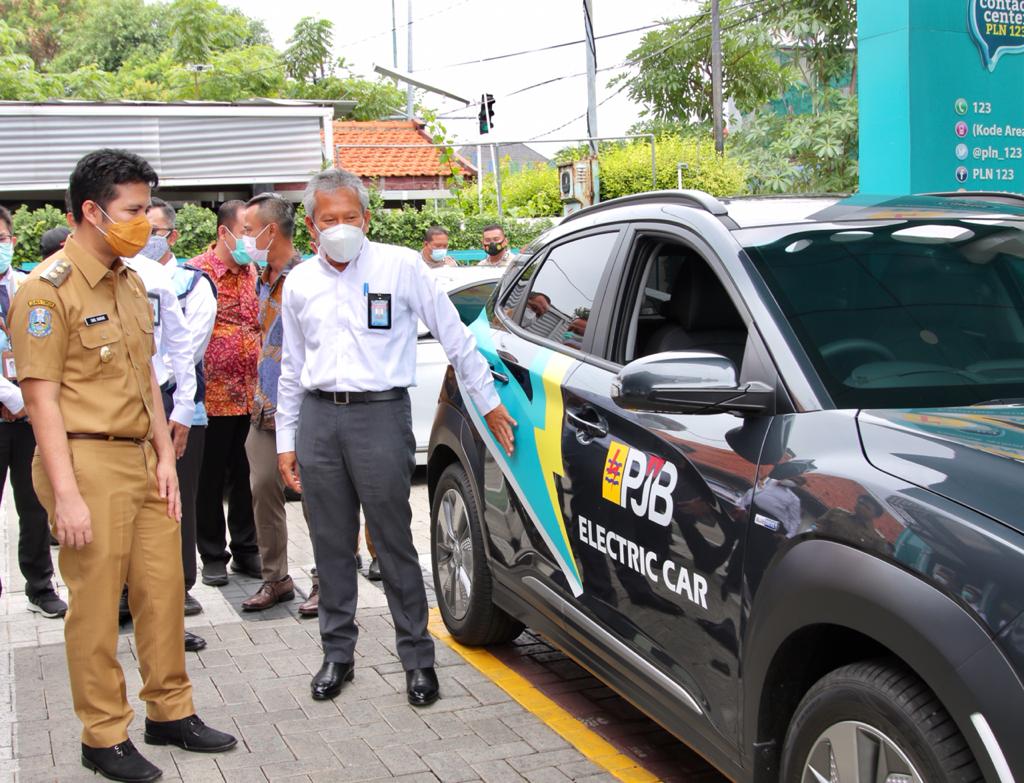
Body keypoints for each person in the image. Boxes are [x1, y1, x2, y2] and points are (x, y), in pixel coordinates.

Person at [9, 148, 236, 783]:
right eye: (133, 211)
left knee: (164, 594)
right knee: (97, 604)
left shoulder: (132, 281)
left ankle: (170, 712)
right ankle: (103, 735)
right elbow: (41, 402)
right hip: (84, 461)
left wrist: (165, 457)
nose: (145, 224)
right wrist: (67, 494)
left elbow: (146, 380)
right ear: (91, 211)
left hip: (143, 458)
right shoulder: (44, 291)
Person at [276, 168, 517, 706]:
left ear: (366, 218)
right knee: (330, 544)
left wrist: (490, 404)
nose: (341, 227)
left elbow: (456, 339)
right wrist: (284, 441)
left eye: (350, 217)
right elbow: (291, 367)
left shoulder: (401, 266)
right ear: (312, 227)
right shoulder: (300, 282)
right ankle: (337, 655)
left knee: (393, 543)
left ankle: (417, 659)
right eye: (328, 219)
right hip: (318, 420)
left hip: (380, 417)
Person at [140, 198, 217, 620]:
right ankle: (133, 587)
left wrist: (164, 385)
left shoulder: (193, 283)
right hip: (134, 399)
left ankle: (181, 584)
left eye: (154, 231)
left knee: (178, 496)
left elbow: (190, 346)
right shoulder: (126, 274)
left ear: (172, 235)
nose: (146, 238)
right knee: (139, 495)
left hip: (179, 400)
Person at [189, 201, 262, 587]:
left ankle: (247, 550)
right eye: (246, 231)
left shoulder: (256, 272)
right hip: (212, 396)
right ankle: (213, 553)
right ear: (224, 232)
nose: (251, 240)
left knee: (248, 475)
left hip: (252, 395)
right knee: (210, 477)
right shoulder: (196, 274)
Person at [0, 206, 67, 617]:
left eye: (3, 238)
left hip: (28, 419)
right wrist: (14, 397)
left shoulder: (29, 288)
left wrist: (28, 402)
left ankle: (40, 586)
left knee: (35, 504)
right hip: (17, 404)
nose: (0, 246)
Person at [239, 193, 303, 611]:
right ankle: (275, 578)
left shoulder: (308, 276)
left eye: (248, 230)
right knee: (263, 486)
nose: (243, 239)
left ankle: (325, 580)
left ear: (271, 231)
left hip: (303, 407)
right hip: (265, 406)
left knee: (314, 493)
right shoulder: (262, 275)